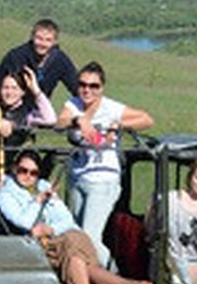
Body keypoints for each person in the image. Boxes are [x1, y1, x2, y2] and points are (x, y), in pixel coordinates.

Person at [0, 150, 152, 284]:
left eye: (33, 173)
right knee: (78, 260)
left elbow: (66, 219)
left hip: (67, 233)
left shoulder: (44, 185)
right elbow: (24, 222)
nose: (28, 176)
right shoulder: (6, 193)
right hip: (47, 244)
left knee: (75, 248)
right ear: (14, 169)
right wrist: (37, 202)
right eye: (23, 171)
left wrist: (49, 228)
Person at [56, 62, 153, 267]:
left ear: (102, 88)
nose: (87, 90)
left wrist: (119, 125)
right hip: (77, 178)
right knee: (75, 235)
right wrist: (79, 120)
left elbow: (146, 119)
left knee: (89, 238)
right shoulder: (73, 104)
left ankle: (116, 280)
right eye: (82, 84)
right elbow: (60, 122)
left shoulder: (111, 108)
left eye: (94, 86)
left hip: (102, 180)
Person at [0, 19, 78, 102]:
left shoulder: (60, 60)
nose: (42, 44)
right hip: (14, 105)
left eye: (48, 40)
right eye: (39, 38)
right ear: (32, 37)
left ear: (55, 42)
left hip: (41, 108)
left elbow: (76, 86)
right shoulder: (16, 56)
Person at [0, 68, 56, 172]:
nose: (9, 92)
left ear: (23, 92)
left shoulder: (28, 114)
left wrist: (36, 90)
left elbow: (51, 120)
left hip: (10, 173)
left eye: (15, 88)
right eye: (5, 88)